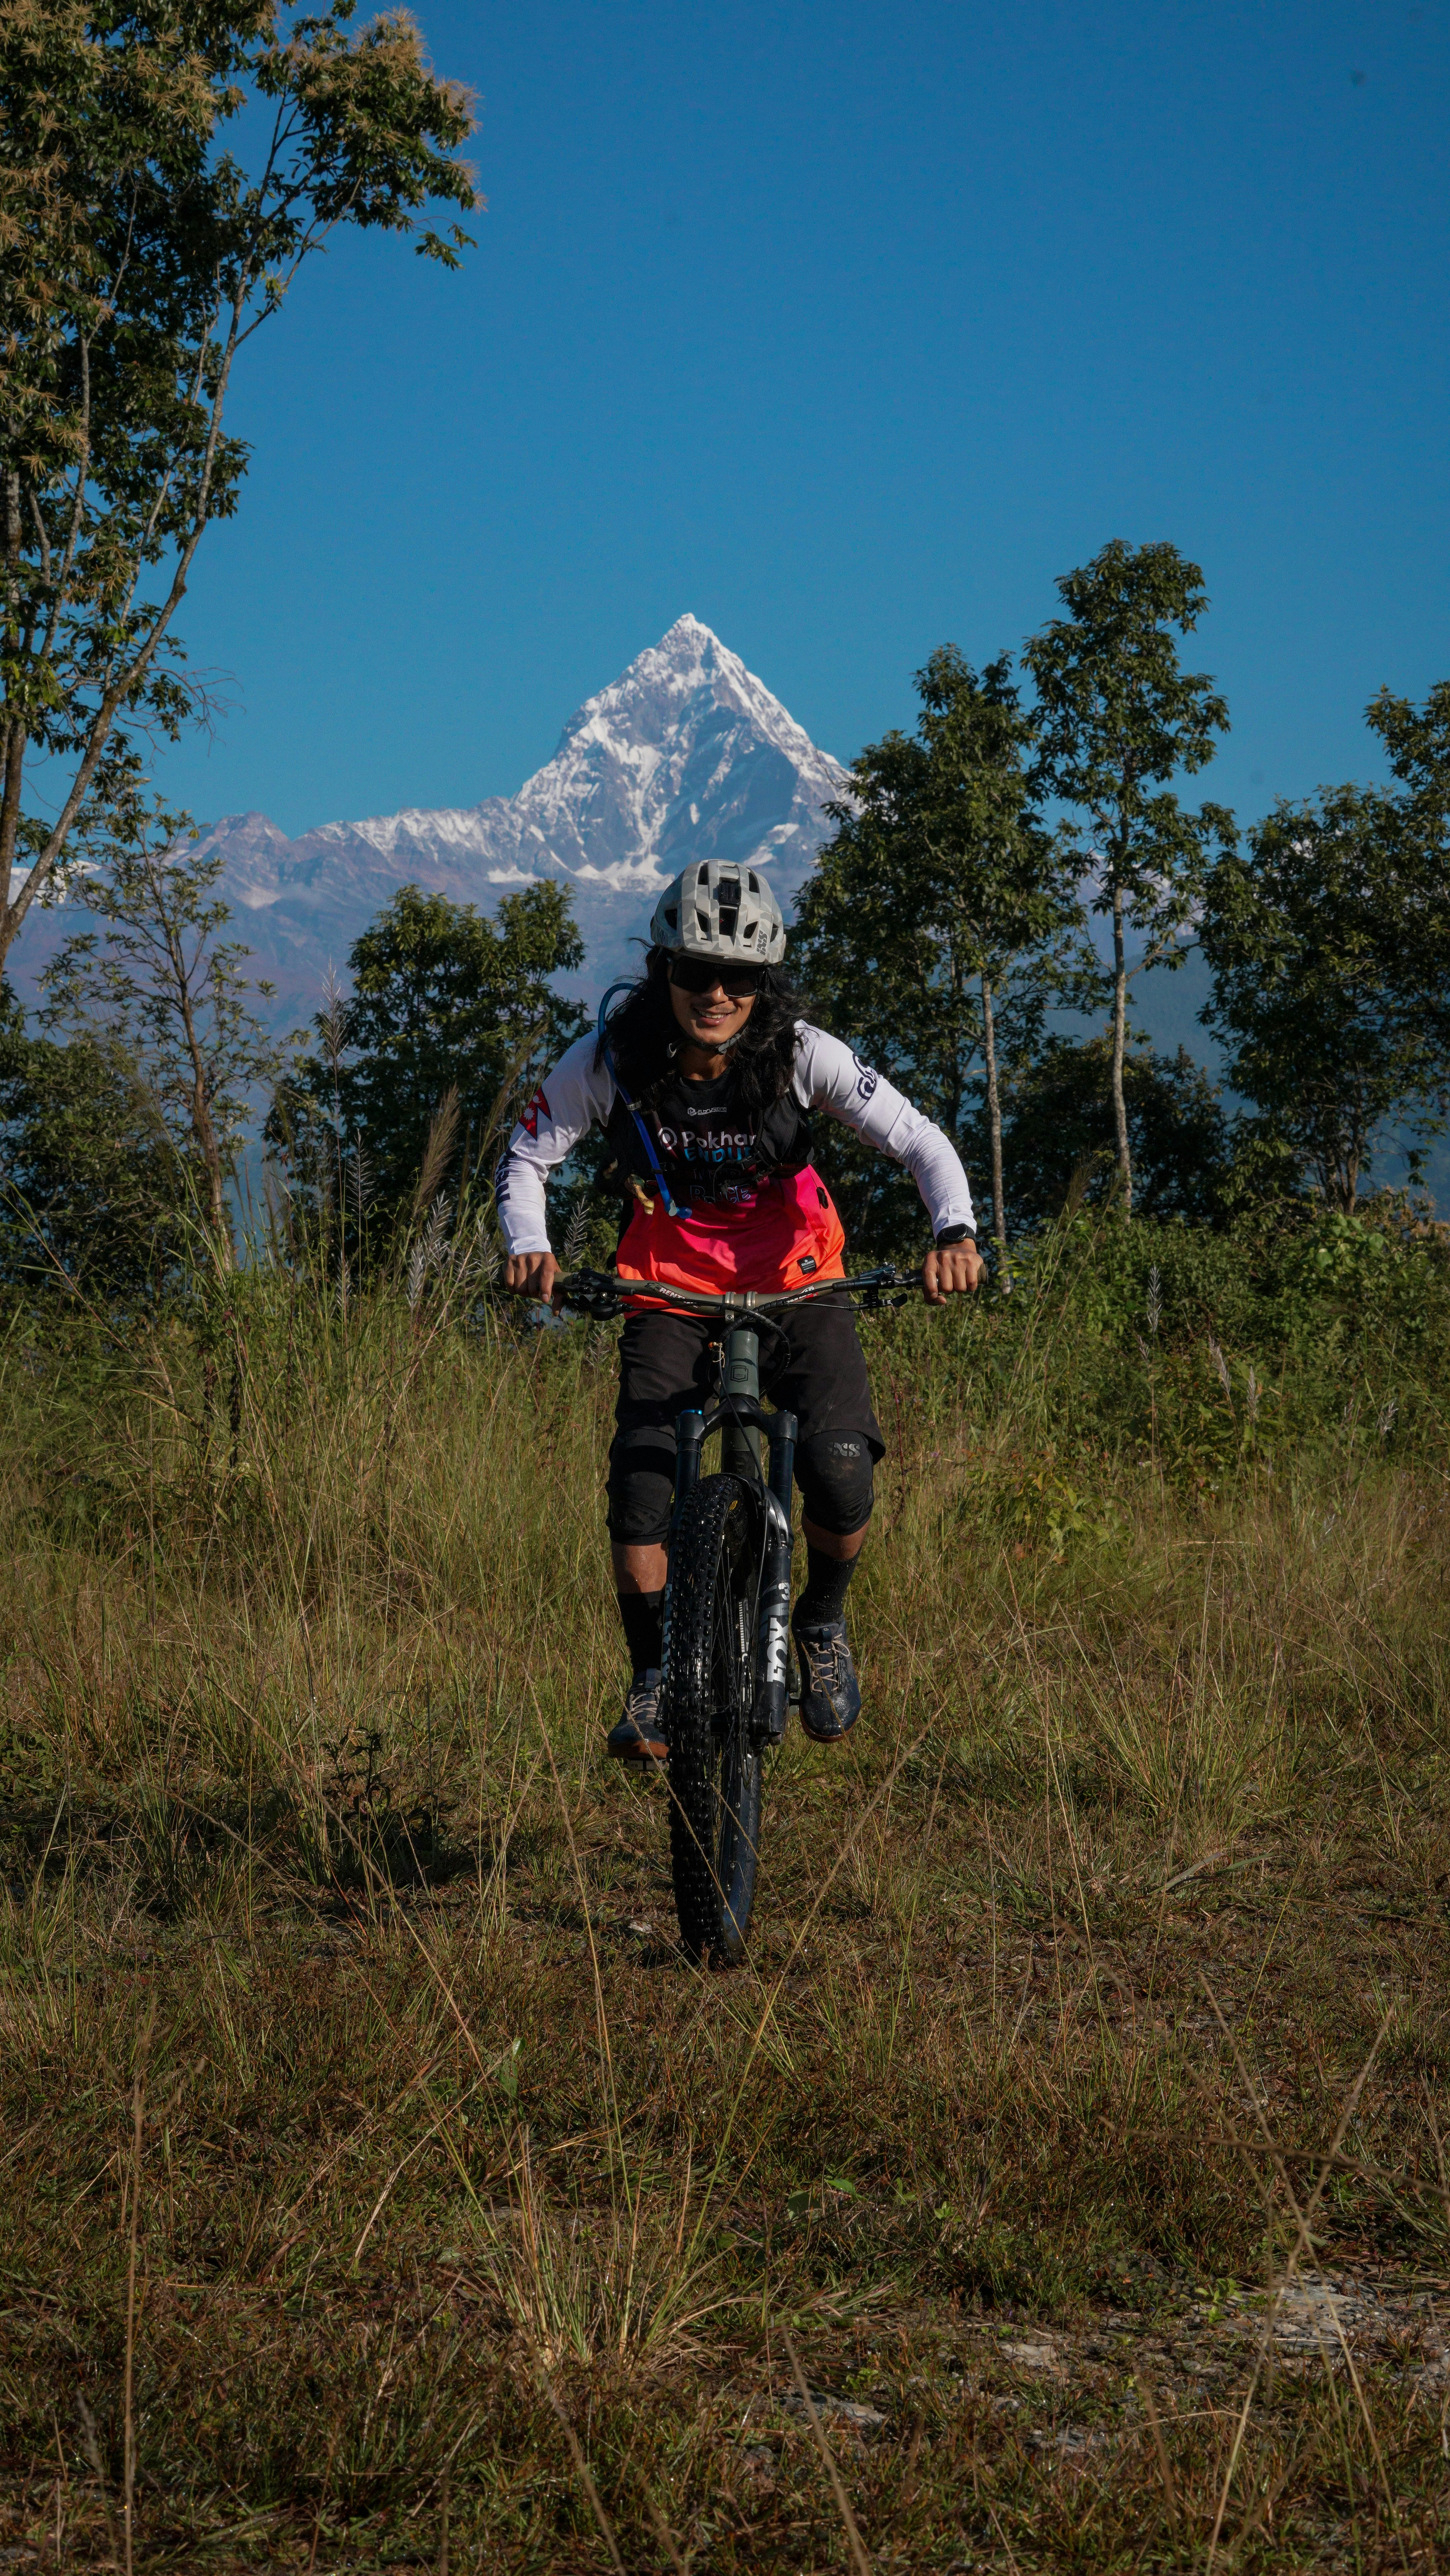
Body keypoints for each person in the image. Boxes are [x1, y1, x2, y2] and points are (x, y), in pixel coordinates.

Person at [497, 858, 983, 1760]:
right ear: (662, 972)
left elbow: (917, 1139)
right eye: (693, 972)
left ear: (765, 983)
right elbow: (528, 1157)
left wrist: (953, 1232)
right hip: (667, 1287)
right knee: (643, 1484)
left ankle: (822, 1626)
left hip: (800, 1277)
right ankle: (652, 1680)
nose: (714, 994)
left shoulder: (801, 1052)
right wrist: (531, 1245)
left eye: (739, 978)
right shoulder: (611, 1058)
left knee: (839, 1470)